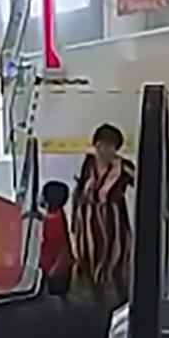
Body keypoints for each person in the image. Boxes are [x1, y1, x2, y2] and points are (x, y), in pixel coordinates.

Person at [71, 124, 135, 302]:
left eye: (109, 146)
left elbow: (143, 183)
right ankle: (96, 301)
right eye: (100, 146)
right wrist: (74, 223)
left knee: (116, 260)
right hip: (88, 222)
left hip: (113, 223)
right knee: (90, 261)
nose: (104, 150)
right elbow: (78, 191)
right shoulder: (88, 164)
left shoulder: (123, 167)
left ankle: (125, 301)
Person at [40, 179, 72, 296]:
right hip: (49, 269)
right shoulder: (55, 217)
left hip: (53, 272)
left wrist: (55, 271)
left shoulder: (56, 221)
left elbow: (64, 248)